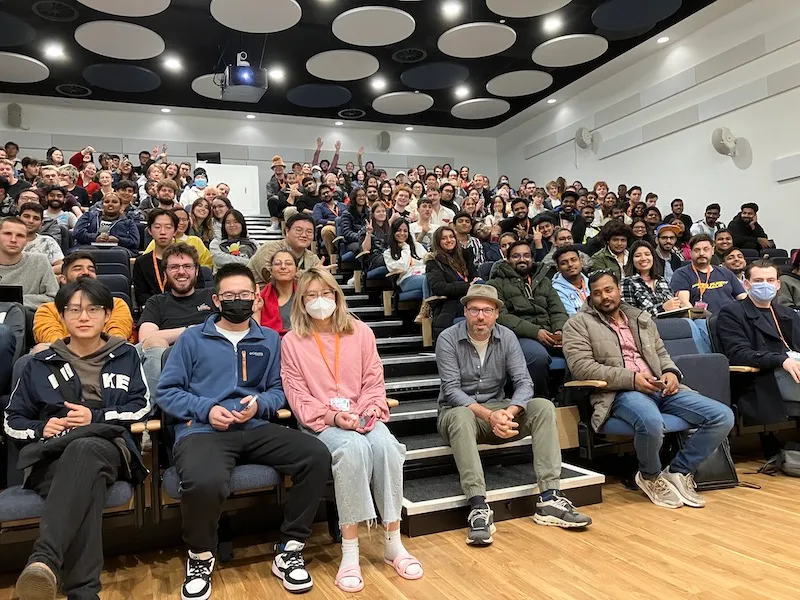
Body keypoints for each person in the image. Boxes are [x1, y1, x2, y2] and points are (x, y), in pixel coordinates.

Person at [156, 263, 330, 597]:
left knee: (315, 455)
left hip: (255, 425)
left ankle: (290, 548)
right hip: (203, 431)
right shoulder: (193, 338)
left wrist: (260, 404)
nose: (239, 301)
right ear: (217, 300)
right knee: (204, 481)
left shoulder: (268, 339)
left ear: (256, 298)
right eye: (231, 295)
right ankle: (200, 555)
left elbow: (279, 389)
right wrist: (206, 408)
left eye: (245, 295)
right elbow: (167, 392)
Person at [6, 277, 150, 600]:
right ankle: (83, 593)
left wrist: (94, 417)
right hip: (51, 457)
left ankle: (44, 558)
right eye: (74, 310)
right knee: (87, 483)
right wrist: (40, 429)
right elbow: (12, 419)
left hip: (108, 447)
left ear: (107, 315)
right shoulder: (38, 364)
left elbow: (142, 406)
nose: (83, 317)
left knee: (85, 448)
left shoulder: (125, 355)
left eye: (93, 309)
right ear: (62, 316)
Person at [281, 267, 422, 593]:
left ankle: (392, 543)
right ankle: (350, 551)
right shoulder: (292, 341)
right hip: (322, 423)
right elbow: (297, 393)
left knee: (386, 447)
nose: (319, 301)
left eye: (326, 294)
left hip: (363, 415)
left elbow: (374, 380)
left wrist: (370, 410)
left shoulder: (360, 332)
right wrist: (332, 417)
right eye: (311, 295)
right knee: (352, 450)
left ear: (337, 296)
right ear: (301, 301)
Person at [562, 271, 734, 509]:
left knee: (722, 416)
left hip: (659, 387)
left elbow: (661, 354)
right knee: (651, 422)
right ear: (591, 296)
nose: (604, 297)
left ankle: (678, 471)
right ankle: (650, 476)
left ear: (619, 290)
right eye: (598, 293)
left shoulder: (641, 318)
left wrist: (671, 373)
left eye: (609, 290)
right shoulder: (577, 324)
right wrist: (631, 379)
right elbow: (582, 367)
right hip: (619, 393)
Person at [436, 284, 591, 545]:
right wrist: (489, 416)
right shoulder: (448, 338)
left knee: (542, 406)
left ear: (497, 313)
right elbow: (451, 391)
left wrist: (509, 412)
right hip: (458, 415)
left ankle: (550, 497)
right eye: (474, 310)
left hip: (499, 410)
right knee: (461, 415)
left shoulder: (507, 336)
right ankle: (477, 506)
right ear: (465, 311)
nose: (480, 316)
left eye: (487, 310)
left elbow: (524, 383)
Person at [717, 258, 800, 430]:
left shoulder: (787, 313)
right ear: (746, 284)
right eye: (758, 281)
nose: (765, 285)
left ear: (778, 284)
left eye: (770, 281)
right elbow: (738, 354)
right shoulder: (732, 313)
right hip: (764, 377)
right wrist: (781, 360)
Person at [488, 240, 568, 396]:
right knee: (538, 357)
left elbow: (557, 310)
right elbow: (501, 316)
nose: (522, 259)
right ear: (507, 259)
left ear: (532, 258)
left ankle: (569, 402)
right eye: (516, 256)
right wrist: (535, 332)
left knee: (582, 352)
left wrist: (559, 330)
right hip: (519, 336)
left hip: (550, 333)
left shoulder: (544, 281)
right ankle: (540, 402)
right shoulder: (495, 284)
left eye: (526, 255)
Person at [33, 251, 133, 345]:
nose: (86, 272)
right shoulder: (47, 310)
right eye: (77, 269)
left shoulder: (116, 304)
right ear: (63, 279)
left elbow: (117, 338)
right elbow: (54, 343)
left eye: (91, 269)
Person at [425, 225, 480, 339]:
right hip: (449, 305)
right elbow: (439, 287)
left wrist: (475, 284)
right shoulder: (434, 262)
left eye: (451, 237)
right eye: (444, 238)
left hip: (471, 300)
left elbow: (475, 278)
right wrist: (468, 286)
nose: (449, 240)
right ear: (437, 242)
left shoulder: (465, 255)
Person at [670, 234, 746, 314]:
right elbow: (684, 303)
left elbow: (743, 297)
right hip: (702, 320)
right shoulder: (681, 274)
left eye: (706, 249)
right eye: (697, 250)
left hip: (731, 318)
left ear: (712, 251)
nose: (701, 253)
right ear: (690, 252)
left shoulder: (725, 272)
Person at [0, 217, 58, 309]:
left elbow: (54, 298)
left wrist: (16, 300)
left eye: (20, 236)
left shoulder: (40, 261)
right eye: (7, 234)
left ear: (26, 240)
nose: (13, 240)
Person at [248, 214, 320, 284]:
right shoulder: (270, 248)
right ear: (287, 231)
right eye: (299, 230)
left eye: (309, 232)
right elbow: (273, 278)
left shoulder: (313, 258)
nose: (304, 235)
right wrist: (311, 273)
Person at [621, 241, 683, 316]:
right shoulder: (627, 282)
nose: (643, 258)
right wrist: (662, 308)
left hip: (673, 320)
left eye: (647, 254)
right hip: (647, 326)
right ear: (631, 260)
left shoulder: (662, 280)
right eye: (637, 256)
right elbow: (631, 315)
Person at [143, 206, 212, 268]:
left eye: (184, 220)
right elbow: (146, 261)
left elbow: (207, 263)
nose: (181, 223)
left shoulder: (196, 241)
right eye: (178, 219)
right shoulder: (159, 241)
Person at [72, 193, 139, 252]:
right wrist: (94, 238)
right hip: (88, 247)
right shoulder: (89, 216)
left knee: (116, 252)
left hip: (118, 250)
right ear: (102, 205)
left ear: (120, 205)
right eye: (107, 202)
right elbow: (77, 232)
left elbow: (135, 242)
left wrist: (119, 240)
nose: (110, 204)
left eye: (114, 202)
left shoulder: (129, 222)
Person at [259, 249, 297, 337]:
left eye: (288, 263)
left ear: (297, 270)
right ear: (271, 270)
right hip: (269, 345)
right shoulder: (261, 298)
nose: (283, 267)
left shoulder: (304, 297)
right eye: (277, 263)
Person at [384, 219, 426, 296]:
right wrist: (406, 248)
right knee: (429, 281)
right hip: (407, 279)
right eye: (399, 230)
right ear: (393, 232)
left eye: (405, 231)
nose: (402, 233)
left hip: (424, 274)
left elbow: (428, 262)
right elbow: (403, 267)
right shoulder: (388, 253)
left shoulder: (417, 246)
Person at [19, 202, 63, 274]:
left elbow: (61, 266)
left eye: (36, 218)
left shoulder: (47, 241)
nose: (30, 221)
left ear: (41, 224)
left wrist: (39, 274)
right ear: (18, 219)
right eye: (26, 216)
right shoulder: (5, 240)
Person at [312, 184, 347, 262]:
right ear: (321, 197)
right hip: (331, 227)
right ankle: (333, 258)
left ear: (332, 193)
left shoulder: (342, 205)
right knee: (326, 230)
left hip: (345, 227)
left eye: (327, 192)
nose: (326, 194)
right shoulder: (319, 206)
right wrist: (334, 222)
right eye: (323, 194)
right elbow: (318, 220)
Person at [551, 245, 590, 316]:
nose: (570, 264)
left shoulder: (592, 282)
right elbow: (573, 318)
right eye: (564, 263)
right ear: (558, 268)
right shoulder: (555, 290)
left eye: (573, 260)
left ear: (581, 262)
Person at [340, 188, 369, 256]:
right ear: (354, 197)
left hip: (367, 238)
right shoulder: (346, 214)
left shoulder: (369, 212)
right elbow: (347, 233)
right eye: (359, 195)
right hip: (352, 242)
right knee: (362, 248)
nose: (362, 198)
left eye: (363, 195)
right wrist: (361, 237)